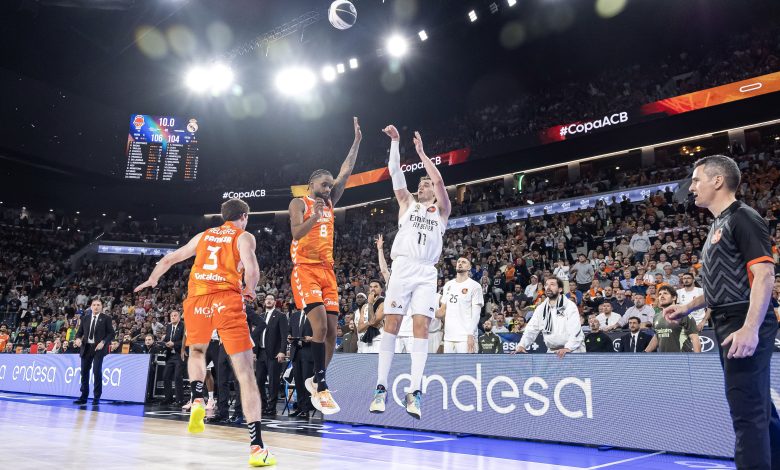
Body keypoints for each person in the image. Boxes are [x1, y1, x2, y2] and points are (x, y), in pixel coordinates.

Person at [134, 198, 275, 467]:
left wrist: (153, 278)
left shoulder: (203, 236)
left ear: (223, 216)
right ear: (244, 216)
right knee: (246, 373)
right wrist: (250, 289)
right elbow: (252, 269)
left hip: (197, 300)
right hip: (226, 300)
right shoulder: (244, 236)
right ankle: (257, 448)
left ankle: (197, 398)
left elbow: (170, 258)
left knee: (197, 351)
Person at [664, 155, 779, 469]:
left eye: (696, 180)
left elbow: (764, 275)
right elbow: (721, 285)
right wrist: (687, 306)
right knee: (759, 410)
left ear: (717, 181)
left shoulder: (744, 217)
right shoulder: (719, 223)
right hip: (729, 319)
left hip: (744, 320)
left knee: (747, 414)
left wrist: (750, 328)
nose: (692, 187)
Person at [369, 126, 451, 419]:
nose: (423, 186)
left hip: (427, 272)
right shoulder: (407, 204)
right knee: (391, 324)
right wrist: (395, 142)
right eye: (421, 184)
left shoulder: (441, 212)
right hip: (403, 267)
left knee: (421, 329)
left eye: (426, 184)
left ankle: (414, 392)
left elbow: (439, 180)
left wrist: (422, 154)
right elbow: (394, 171)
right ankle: (381, 388)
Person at [288, 117, 361, 415]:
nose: (329, 188)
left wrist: (356, 142)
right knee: (318, 326)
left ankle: (318, 378)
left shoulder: (330, 201)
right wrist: (315, 218)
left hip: (327, 271)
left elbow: (346, 171)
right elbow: (296, 233)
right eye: (324, 184)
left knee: (332, 331)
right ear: (311, 185)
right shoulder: (299, 203)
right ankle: (320, 383)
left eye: (330, 185)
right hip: (305, 269)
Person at [512, 277, 585, 358]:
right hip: (552, 351)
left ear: (560, 289)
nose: (548, 287)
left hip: (573, 350)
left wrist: (568, 347)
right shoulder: (541, 308)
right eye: (546, 285)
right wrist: (522, 345)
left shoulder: (569, 305)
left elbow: (575, 330)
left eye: (552, 284)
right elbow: (531, 329)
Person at [437, 257, 484, 353]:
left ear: (469, 267)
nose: (460, 263)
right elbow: (442, 311)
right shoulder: (448, 285)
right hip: (449, 336)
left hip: (465, 337)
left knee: (465, 363)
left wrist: (471, 334)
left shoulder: (475, 286)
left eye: (463, 262)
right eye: (458, 261)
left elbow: (476, 314)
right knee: (448, 363)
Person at [252, 294, 288, 418]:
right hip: (261, 352)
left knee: (273, 381)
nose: (268, 301)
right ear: (264, 302)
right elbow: (256, 336)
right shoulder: (260, 316)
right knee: (259, 381)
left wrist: (282, 351)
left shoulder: (280, 316)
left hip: (274, 353)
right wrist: (254, 351)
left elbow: (284, 336)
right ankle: (263, 406)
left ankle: (272, 408)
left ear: (275, 302)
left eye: (271, 299)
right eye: (267, 299)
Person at [73, 297, 114, 405]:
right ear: (91, 307)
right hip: (86, 348)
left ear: (101, 307)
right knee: (84, 372)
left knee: (96, 371)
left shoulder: (106, 318)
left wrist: (103, 342)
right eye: (94, 305)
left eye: (98, 305)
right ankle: (83, 396)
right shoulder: (85, 318)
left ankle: (96, 397)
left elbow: (111, 333)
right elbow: (79, 333)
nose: (96, 307)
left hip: (98, 349)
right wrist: (78, 339)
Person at [649, 286, 700, 353]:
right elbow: (657, 336)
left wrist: (697, 357)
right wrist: (646, 351)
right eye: (660, 294)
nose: (662, 296)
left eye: (665, 293)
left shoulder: (683, 314)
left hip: (682, 357)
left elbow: (694, 337)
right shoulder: (656, 317)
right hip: (663, 358)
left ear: (674, 297)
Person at [288, 307, 314, 418]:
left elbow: (322, 333)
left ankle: (306, 409)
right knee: (298, 382)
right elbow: (289, 331)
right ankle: (300, 407)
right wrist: (289, 337)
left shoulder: (315, 315)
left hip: (308, 351)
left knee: (306, 381)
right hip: (296, 352)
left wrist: (312, 338)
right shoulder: (294, 316)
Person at [161, 310, 185, 406]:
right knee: (165, 376)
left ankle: (179, 400)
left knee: (177, 377)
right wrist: (164, 341)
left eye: (175, 315)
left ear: (179, 317)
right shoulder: (169, 326)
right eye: (171, 316)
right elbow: (168, 339)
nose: (173, 317)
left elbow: (185, 341)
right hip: (170, 355)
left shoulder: (183, 326)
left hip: (179, 354)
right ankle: (168, 398)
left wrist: (174, 344)